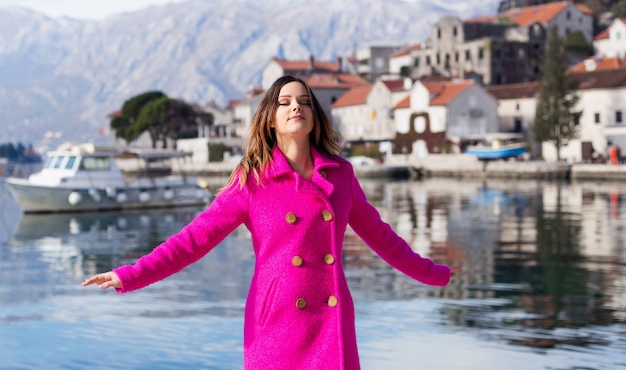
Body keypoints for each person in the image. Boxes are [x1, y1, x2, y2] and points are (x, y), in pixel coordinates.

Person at [83, 75, 458, 370]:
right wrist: (130, 274)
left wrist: (436, 273)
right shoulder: (251, 180)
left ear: (315, 116)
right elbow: (193, 240)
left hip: (330, 323)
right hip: (277, 325)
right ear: (271, 118)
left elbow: (383, 238)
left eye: (304, 101)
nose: (297, 106)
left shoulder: (341, 175)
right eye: (285, 102)